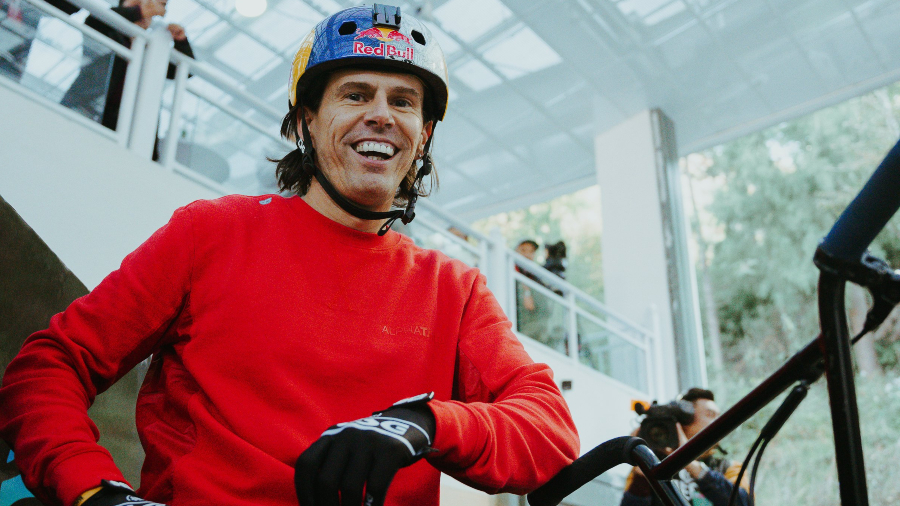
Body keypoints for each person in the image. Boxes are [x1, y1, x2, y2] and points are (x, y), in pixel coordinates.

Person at [0, 5, 579, 506]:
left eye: (403, 101)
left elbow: (550, 432)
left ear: (422, 135)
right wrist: (93, 489)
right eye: (356, 94)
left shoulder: (454, 287)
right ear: (306, 120)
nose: (381, 114)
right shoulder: (213, 232)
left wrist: (427, 421)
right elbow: (49, 366)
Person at [60, 0, 193, 152]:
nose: (145, 8)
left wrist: (181, 42)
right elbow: (98, 19)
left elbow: (185, 72)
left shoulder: (149, 52)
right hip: (87, 113)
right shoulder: (105, 28)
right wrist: (139, 11)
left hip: (130, 133)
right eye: (137, 3)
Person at [621, 388, 750, 506]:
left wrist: (690, 463)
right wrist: (641, 477)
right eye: (710, 415)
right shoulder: (653, 464)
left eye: (719, 416)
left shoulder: (730, 468)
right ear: (686, 420)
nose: (720, 422)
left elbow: (744, 503)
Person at [514, 239, 553, 345]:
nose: (527, 255)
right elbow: (528, 305)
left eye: (531, 251)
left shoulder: (535, 276)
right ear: (516, 251)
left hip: (536, 328)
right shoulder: (510, 270)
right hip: (519, 327)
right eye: (523, 250)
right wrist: (526, 291)